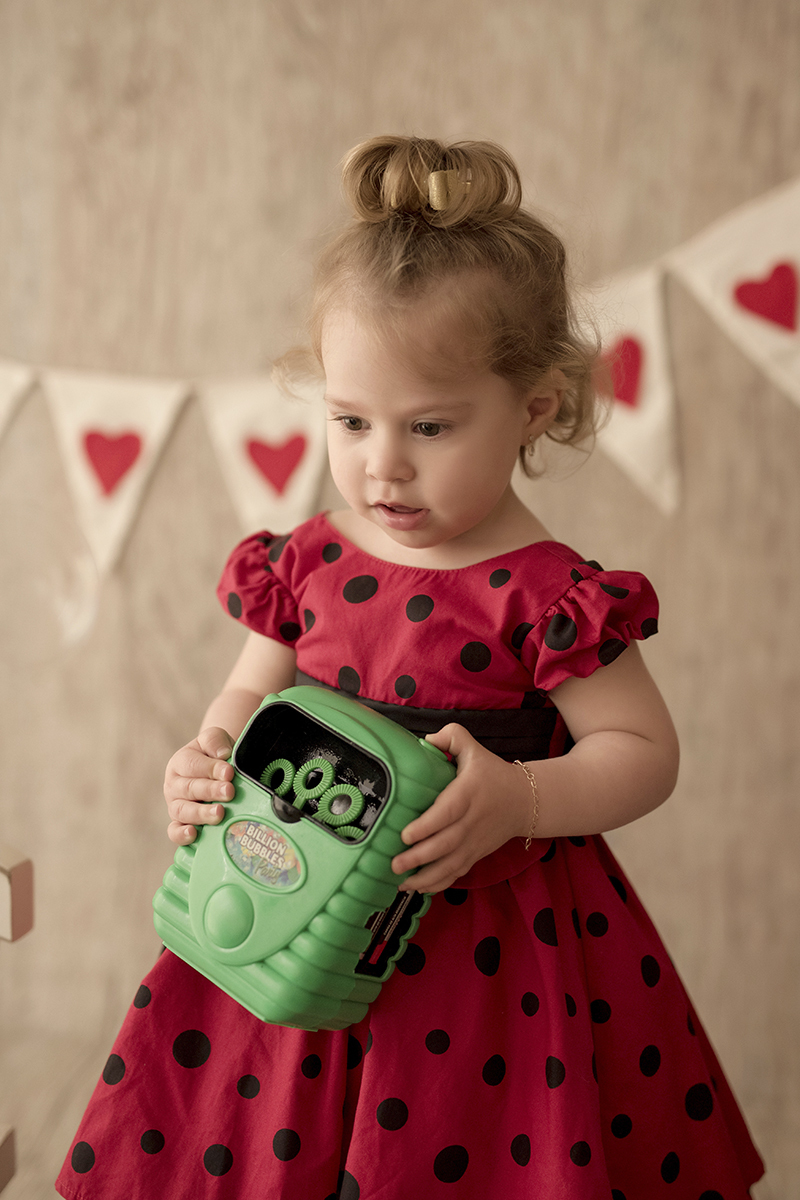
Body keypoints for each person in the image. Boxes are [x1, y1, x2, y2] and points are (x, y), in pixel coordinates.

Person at [57, 136, 764, 1200]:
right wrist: (206, 753)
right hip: (287, 906)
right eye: (349, 420)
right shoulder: (309, 560)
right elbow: (252, 691)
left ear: (533, 407)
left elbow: (642, 753)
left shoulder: (545, 592)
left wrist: (523, 796)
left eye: (428, 426)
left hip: (488, 961)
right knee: (269, 1146)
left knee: (454, 1158)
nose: (379, 463)